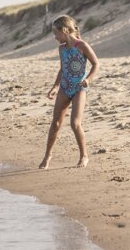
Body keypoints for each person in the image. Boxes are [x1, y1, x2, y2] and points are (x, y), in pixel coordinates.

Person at [39, 15, 98, 169]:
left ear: (64, 31)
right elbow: (62, 68)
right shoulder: (62, 48)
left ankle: (84, 156)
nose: (55, 37)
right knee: (56, 123)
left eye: (55, 34)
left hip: (80, 88)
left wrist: (88, 80)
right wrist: (55, 86)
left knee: (75, 123)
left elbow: (96, 64)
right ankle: (47, 156)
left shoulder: (82, 45)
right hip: (65, 87)